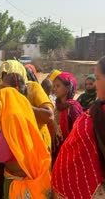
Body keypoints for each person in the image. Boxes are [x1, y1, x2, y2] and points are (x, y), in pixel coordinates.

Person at [51, 57, 105, 198]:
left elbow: (80, 141)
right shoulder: (57, 107)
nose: (94, 85)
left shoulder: (75, 109)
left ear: (68, 88)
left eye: (97, 79)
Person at [0, 87, 51, 198]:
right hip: (34, 181)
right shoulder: (27, 122)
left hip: (18, 185)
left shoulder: (9, 124)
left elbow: (2, 155)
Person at [0, 60, 54, 152]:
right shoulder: (3, 93)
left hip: (37, 147)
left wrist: (23, 105)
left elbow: (49, 116)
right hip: (16, 149)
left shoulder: (33, 88)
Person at [52, 72, 83, 162]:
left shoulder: (73, 108)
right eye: (54, 86)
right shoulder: (57, 106)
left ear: (67, 88)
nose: (54, 89)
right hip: (56, 152)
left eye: (58, 86)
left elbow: (78, 134)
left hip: (69, 154)